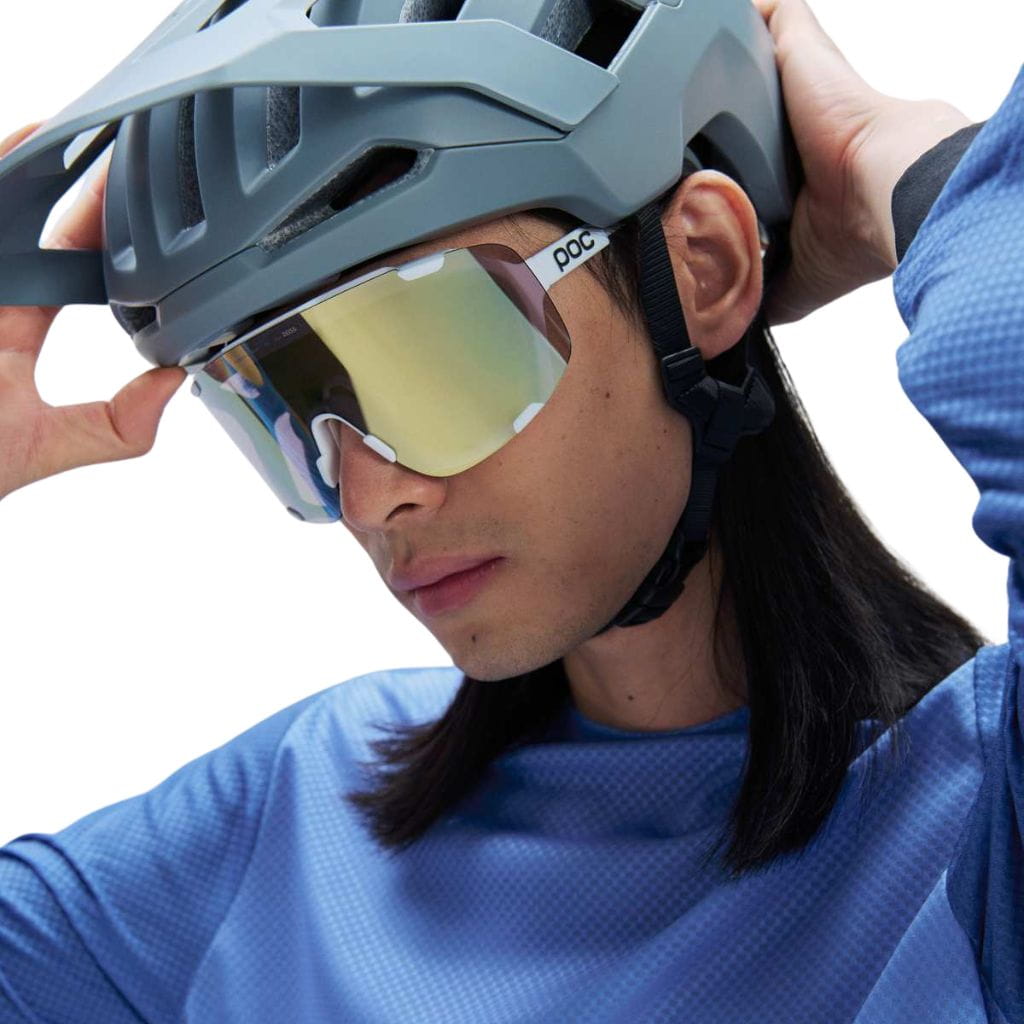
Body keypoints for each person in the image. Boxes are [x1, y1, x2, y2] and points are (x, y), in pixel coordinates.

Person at [0, 0, 1019, 1020]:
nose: (369, 496)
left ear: (703, 268)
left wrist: (911, 162)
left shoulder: (979, 820)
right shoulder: (300, 801)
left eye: (432, 352)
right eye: (280, 404)